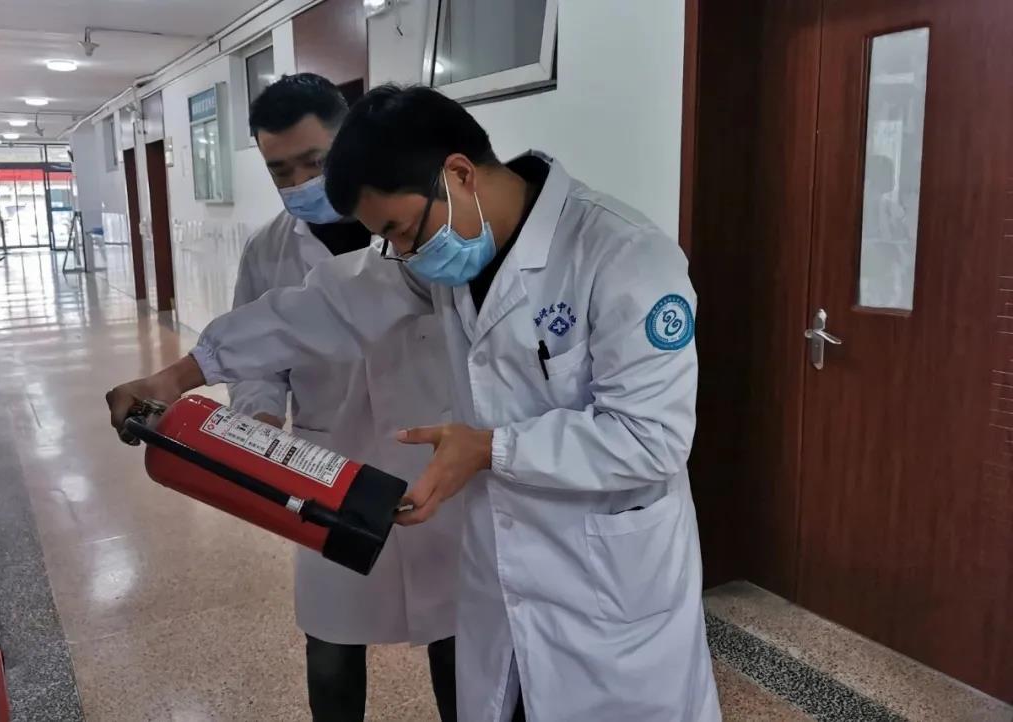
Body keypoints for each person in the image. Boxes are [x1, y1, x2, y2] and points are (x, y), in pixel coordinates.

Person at [107, 85, 721, 722]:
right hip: (501, 573)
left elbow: (652, 438)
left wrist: (490, 448)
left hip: (610, 588)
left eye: (399, 230)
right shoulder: (438, 257)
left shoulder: (624, 256)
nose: (401, 253)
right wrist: (179, 376)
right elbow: (316, 309)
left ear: (458, 174)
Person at [219, 75, 461, 722]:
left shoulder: (419, 222)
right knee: (330, 642)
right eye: (280, 170)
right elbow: (255, 355)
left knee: (457, 638)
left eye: (314, 161)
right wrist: (258, 415)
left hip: (433, 463)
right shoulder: (267, 251)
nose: (300, 181)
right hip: (330, 467)